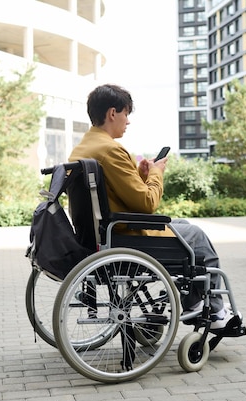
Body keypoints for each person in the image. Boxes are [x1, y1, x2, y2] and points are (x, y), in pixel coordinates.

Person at [69, 84, 235, 329]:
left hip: (100, 233)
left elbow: (115, 191)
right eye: (126, 114)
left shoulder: (83, 147)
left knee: (184, 227)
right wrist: (157, 174)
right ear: (112, 113)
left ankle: (194, 303)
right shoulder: (110, 150)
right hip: (123, 236)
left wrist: (140, 173)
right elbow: (146, 204)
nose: (128, 121)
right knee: (196, 237)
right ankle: (216, 313)